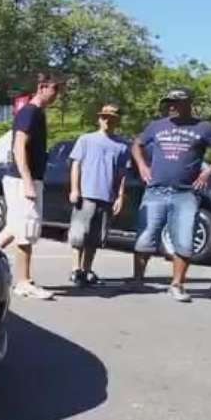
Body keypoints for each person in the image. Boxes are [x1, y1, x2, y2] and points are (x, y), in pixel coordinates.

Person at [129, 88, 211, 302]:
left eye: (176, 102)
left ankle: (177, 285)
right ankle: (137, 280)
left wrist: (208, 171)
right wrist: (142, 166)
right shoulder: (156, 126)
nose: (172, 106)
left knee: (184, 240)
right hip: (155, 191)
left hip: (185, 194)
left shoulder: (204, 128)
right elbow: (137, 145)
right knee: (145, 237)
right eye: (169, 103)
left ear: (188, 103)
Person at [0, 72, 64, 300]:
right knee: (26, 230)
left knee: (14, 227)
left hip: (28, 178)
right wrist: (27, 181)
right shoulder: (30, 112)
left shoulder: (38, 113)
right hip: (22, 179)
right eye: (55, 89)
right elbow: (19, 146)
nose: (57, 95)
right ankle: (23, 282)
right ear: (42, 87)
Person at [68, 104, 130, 288]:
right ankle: (75, 270)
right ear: (99, 119)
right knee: (79, 235)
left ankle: (87, 270)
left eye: (112, 118)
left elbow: (122, 174)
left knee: (95, 238)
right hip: (86, 195)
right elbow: (76, 165)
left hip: (107, 197)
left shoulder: (122, 146)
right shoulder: (86, 140)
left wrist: (120, 196)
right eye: (104, 117)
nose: (107, 120)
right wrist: (74, 189)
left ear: (117, 121)